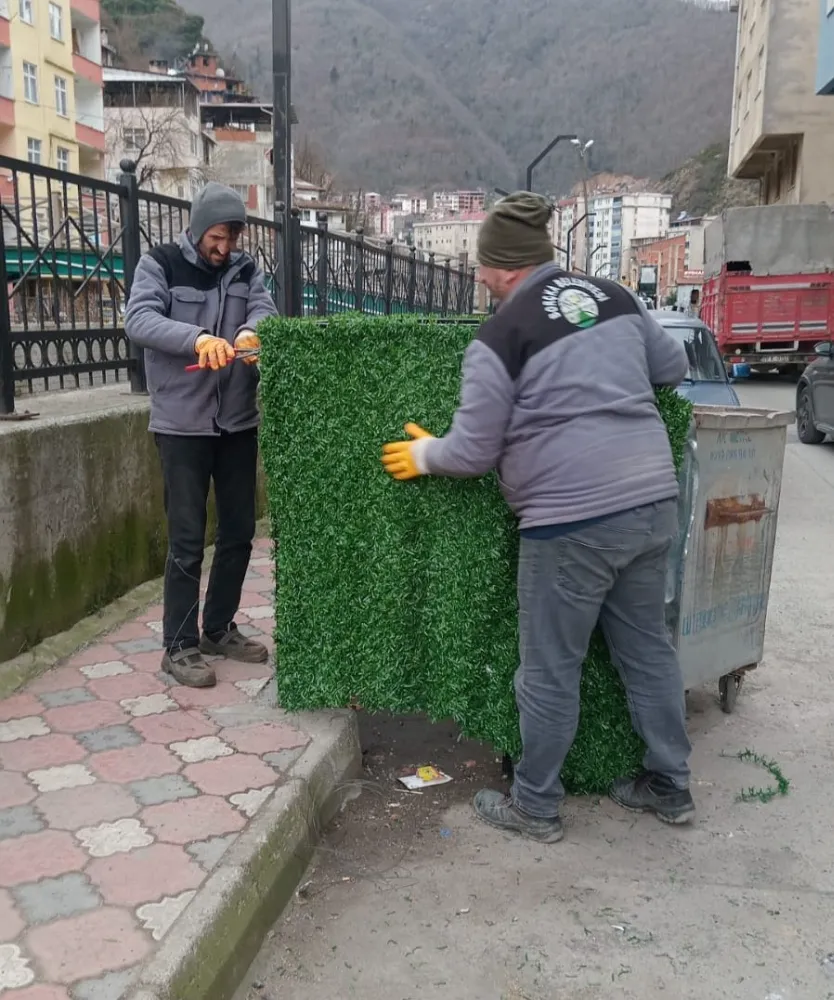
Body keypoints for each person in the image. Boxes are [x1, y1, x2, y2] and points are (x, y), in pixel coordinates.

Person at [381, 192, 694, 843]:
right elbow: (674, 367)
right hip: (650, 502)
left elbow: (472, 451)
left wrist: (422, 453)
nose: (478, 274)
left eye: (482, 263)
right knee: (647, 652)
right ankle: (670, 785)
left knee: (550, 668)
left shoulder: (500, 335)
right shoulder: (613, 296)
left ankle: (536, 805)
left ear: (501, 267)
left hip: (569, 522)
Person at [125, 182, 277, 689]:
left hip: (236, 421)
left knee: (237, 532)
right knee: (187, 540)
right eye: (217, 237)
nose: (225, 248)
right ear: (197, 228)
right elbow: (139, 319)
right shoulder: (160, 264)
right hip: (181, 426)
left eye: (233, 237)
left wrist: (253, 331)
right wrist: (199, 338)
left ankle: (217, 628)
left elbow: (264, 310)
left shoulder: (245, 270)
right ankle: (179, 645)